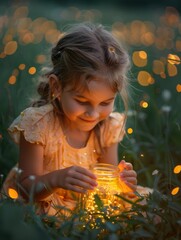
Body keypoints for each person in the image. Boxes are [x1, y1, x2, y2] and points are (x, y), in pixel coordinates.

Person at [2, 23, 139, 216]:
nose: (93, 114)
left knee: (147, 206)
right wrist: (55, 179)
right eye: (82, 101)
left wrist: (123, 185)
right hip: (46, 202)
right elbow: (24, 189)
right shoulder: (39, 125)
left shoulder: (108, 126)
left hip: (87, 203)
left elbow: (106, 179)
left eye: (105, 102)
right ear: (57, 87)